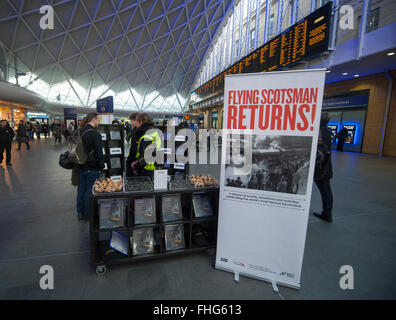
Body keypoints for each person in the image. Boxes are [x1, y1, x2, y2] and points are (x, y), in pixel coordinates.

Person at [76, 113, 105, 220]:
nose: (99, 122)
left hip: (80, 165)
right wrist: (101, 166)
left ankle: (80, 212)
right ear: (93, 120)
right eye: (98, 120)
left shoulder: (79, 131)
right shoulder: (95, 134)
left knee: (81, 189)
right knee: (90, 190)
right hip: (92, 167)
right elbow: (98, 152)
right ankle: (88, 214)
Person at [313, 112, 333, 223]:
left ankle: (327, 214)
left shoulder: (319, 131)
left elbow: (319, 152)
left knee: (325, 191)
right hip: (325, 166)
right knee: (326, 190)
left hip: (320, 168)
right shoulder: (327, 131)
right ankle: (327, 213)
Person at [126, 112, 139, 177]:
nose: (131, 124)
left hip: (135, 161)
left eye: (132, 121)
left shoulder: (139, 132)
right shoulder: (134, 131)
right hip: (133, 159)